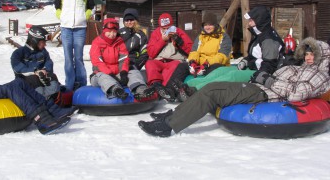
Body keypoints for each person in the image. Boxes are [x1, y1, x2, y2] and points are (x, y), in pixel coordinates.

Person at [138, 37, 330, 137]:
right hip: (259, 86)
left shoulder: (320, 75)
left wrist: (269, 81)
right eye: (307, 54)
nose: (308, 57)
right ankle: (171, 116)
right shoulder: (302, 67)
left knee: (212, 92)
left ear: (322, 56)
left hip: (263, 94)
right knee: (212, 86)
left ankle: (168, 126)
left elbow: (298, 93)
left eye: (313, 54)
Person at [90, 18, 152, 100]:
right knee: (103, 76)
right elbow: (98, 63)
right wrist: (111, 74)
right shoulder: (96, 43)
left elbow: (124, 59)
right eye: (109, 31)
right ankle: (115, 90)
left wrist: (123, 73)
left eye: (114, 32)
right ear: (104, 30)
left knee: (132, 71)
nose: (112, 34)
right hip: (100, 74)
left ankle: (140, 89)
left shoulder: (119, 42)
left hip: (117, 74)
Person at [54, 0, 95, 91]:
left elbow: (91, 7)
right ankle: (69, 85)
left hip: (80, 29)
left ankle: (81, 84)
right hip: (66, 28)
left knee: (78, 57)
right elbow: (57, 7)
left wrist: (85, 17)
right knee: (68, 57)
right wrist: (61, 17)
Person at [145, 13, 193, 102]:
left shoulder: (179, 32)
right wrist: (162, 40)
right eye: (164, 29)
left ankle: (165, 90)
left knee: (175, 67)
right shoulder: (156, 33)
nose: (166, 30)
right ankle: (156, 85)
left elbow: (191, 49)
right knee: (150, 64)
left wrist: (180, 42)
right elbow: (151, 53)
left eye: (168, 28)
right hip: (159, 60)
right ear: (160, 27)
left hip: (175, 60)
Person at [11, 26, 62, 102]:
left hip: (42, 81)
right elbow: (18, 68)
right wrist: (35, 71)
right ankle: (43, 100)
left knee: (52, 77)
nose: (45, 45)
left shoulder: (43, 52)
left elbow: (49, 63)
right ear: (34, 41)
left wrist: (44, 71)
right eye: (43, 42)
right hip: (26, 83)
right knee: (34, 79)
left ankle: (51, 99)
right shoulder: (18, 53)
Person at [236, 6, 285, 82]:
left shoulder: (269, 39)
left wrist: (260, 76)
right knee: (222, 71)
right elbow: (255, 55)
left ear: (260, 20)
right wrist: (245, 61)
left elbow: (270, 63)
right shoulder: (260, 34)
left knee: (230, 77)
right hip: (255, 68)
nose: (249, 23)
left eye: (252, 20)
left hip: (263, 72)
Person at [187, 11, 232, 76]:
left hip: (215, 65)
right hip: (200, 65)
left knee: (214, 68)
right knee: (181, 66)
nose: (207, 27)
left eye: (210, 25)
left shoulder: (223, 37)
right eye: (205, 25)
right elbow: (194, 51)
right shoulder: (201, 37)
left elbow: (222, 56)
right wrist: (192, 62)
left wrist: (207, 63)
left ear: (215, 25)